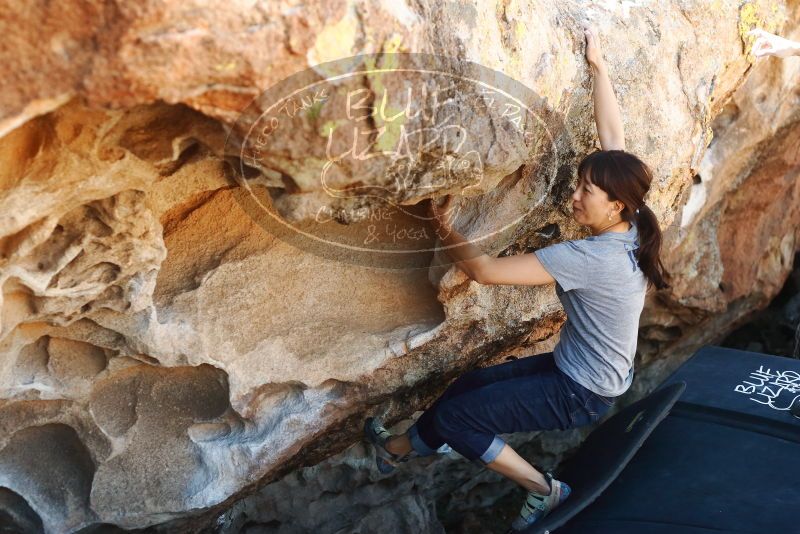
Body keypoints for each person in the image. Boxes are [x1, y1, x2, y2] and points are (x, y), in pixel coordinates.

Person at [364, 27, 669, 533]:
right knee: (466, 390)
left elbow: (482, 272)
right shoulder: (632, 217)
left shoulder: (591, 256)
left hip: (580, 391)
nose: (574, 197)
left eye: (585, 192)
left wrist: (443, 227)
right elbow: (613, 141)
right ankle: (394, 450)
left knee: (463, 419)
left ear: (613, 204)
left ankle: (545, 491)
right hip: (577, 370)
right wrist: (598, 67)